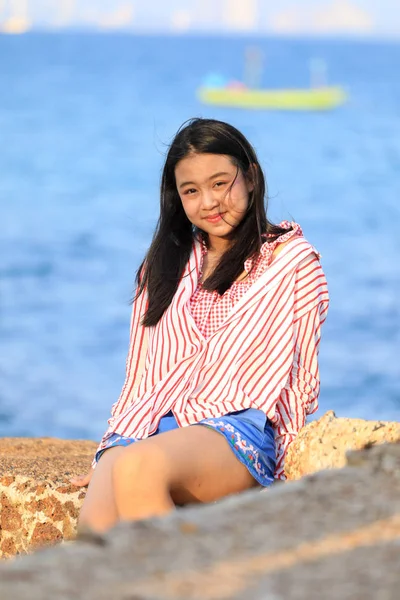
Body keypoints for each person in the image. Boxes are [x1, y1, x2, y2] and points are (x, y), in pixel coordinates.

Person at [70, 118, 329, 534]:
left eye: (221, 183)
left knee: (139, 467)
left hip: (237, 427)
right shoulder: (165, 265)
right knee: (96, 523)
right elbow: (140, 375)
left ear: (251, 176)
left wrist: (289, 465)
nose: (209, 202)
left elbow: (299, 373)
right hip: (151, 426)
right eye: (191, 191)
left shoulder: (290, 260)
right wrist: (109, 449)